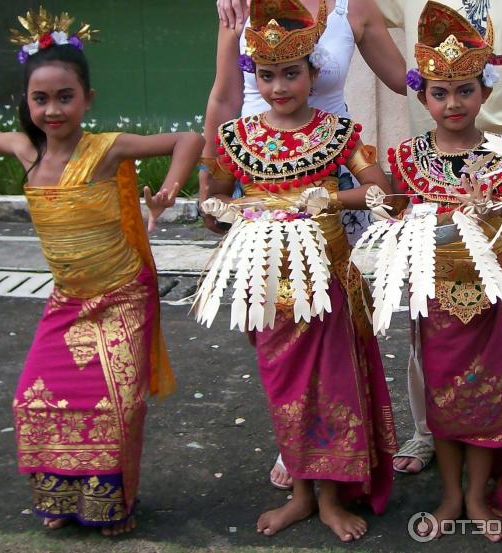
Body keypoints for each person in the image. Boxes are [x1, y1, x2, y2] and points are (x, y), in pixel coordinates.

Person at [0, 8, 204, 536]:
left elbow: (188, 139)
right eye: (39, 98)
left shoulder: (106, 150)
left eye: (64, 96)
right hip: (67, 301)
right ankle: (60, 494)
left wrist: (166, 191)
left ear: (87, 98)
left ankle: (110, 505)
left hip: (122, 298)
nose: (51, 109)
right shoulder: (26, 150)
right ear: (26, 101)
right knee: (32, 397)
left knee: (115, 406)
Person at [200, 0, 397, 541]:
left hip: (328, 277)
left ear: (314, 73)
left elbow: (382, 190)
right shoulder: (238, 139)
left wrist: (329, 198)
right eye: (267, 75)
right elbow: (215, 201)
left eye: (292, 73)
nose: (280, 85)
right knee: (284, 387)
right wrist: (215, 210)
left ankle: (332, 498)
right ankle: (302, 493)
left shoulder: (337, 133)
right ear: (254, 76)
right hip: (267, 285)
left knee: (334, 384)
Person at [385, 1, 502, 540]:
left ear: (485, 92)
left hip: (494, 297)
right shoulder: (406, 158)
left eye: (465, 90)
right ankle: (452, 496)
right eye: (440, 92)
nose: (453, 103)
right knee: (443, 396)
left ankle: (480, 499)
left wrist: (500, 207)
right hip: (435, 299)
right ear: (423, 96)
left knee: (488, 398)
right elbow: (392, 208)